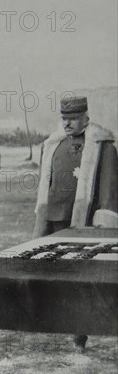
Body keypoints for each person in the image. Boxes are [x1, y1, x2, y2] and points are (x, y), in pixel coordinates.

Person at [33, 96, 118, 350]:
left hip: (84, 225)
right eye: (64, 118)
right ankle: (55, 320)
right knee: (55, 276)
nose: (67, 124)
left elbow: (109, 190)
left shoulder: (102, 147)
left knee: (81, 281)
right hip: (54, 223)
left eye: (72, 119)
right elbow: (44, 186)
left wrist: (103, 223)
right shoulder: (51, 144)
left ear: (85, 116)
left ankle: (80, 334)